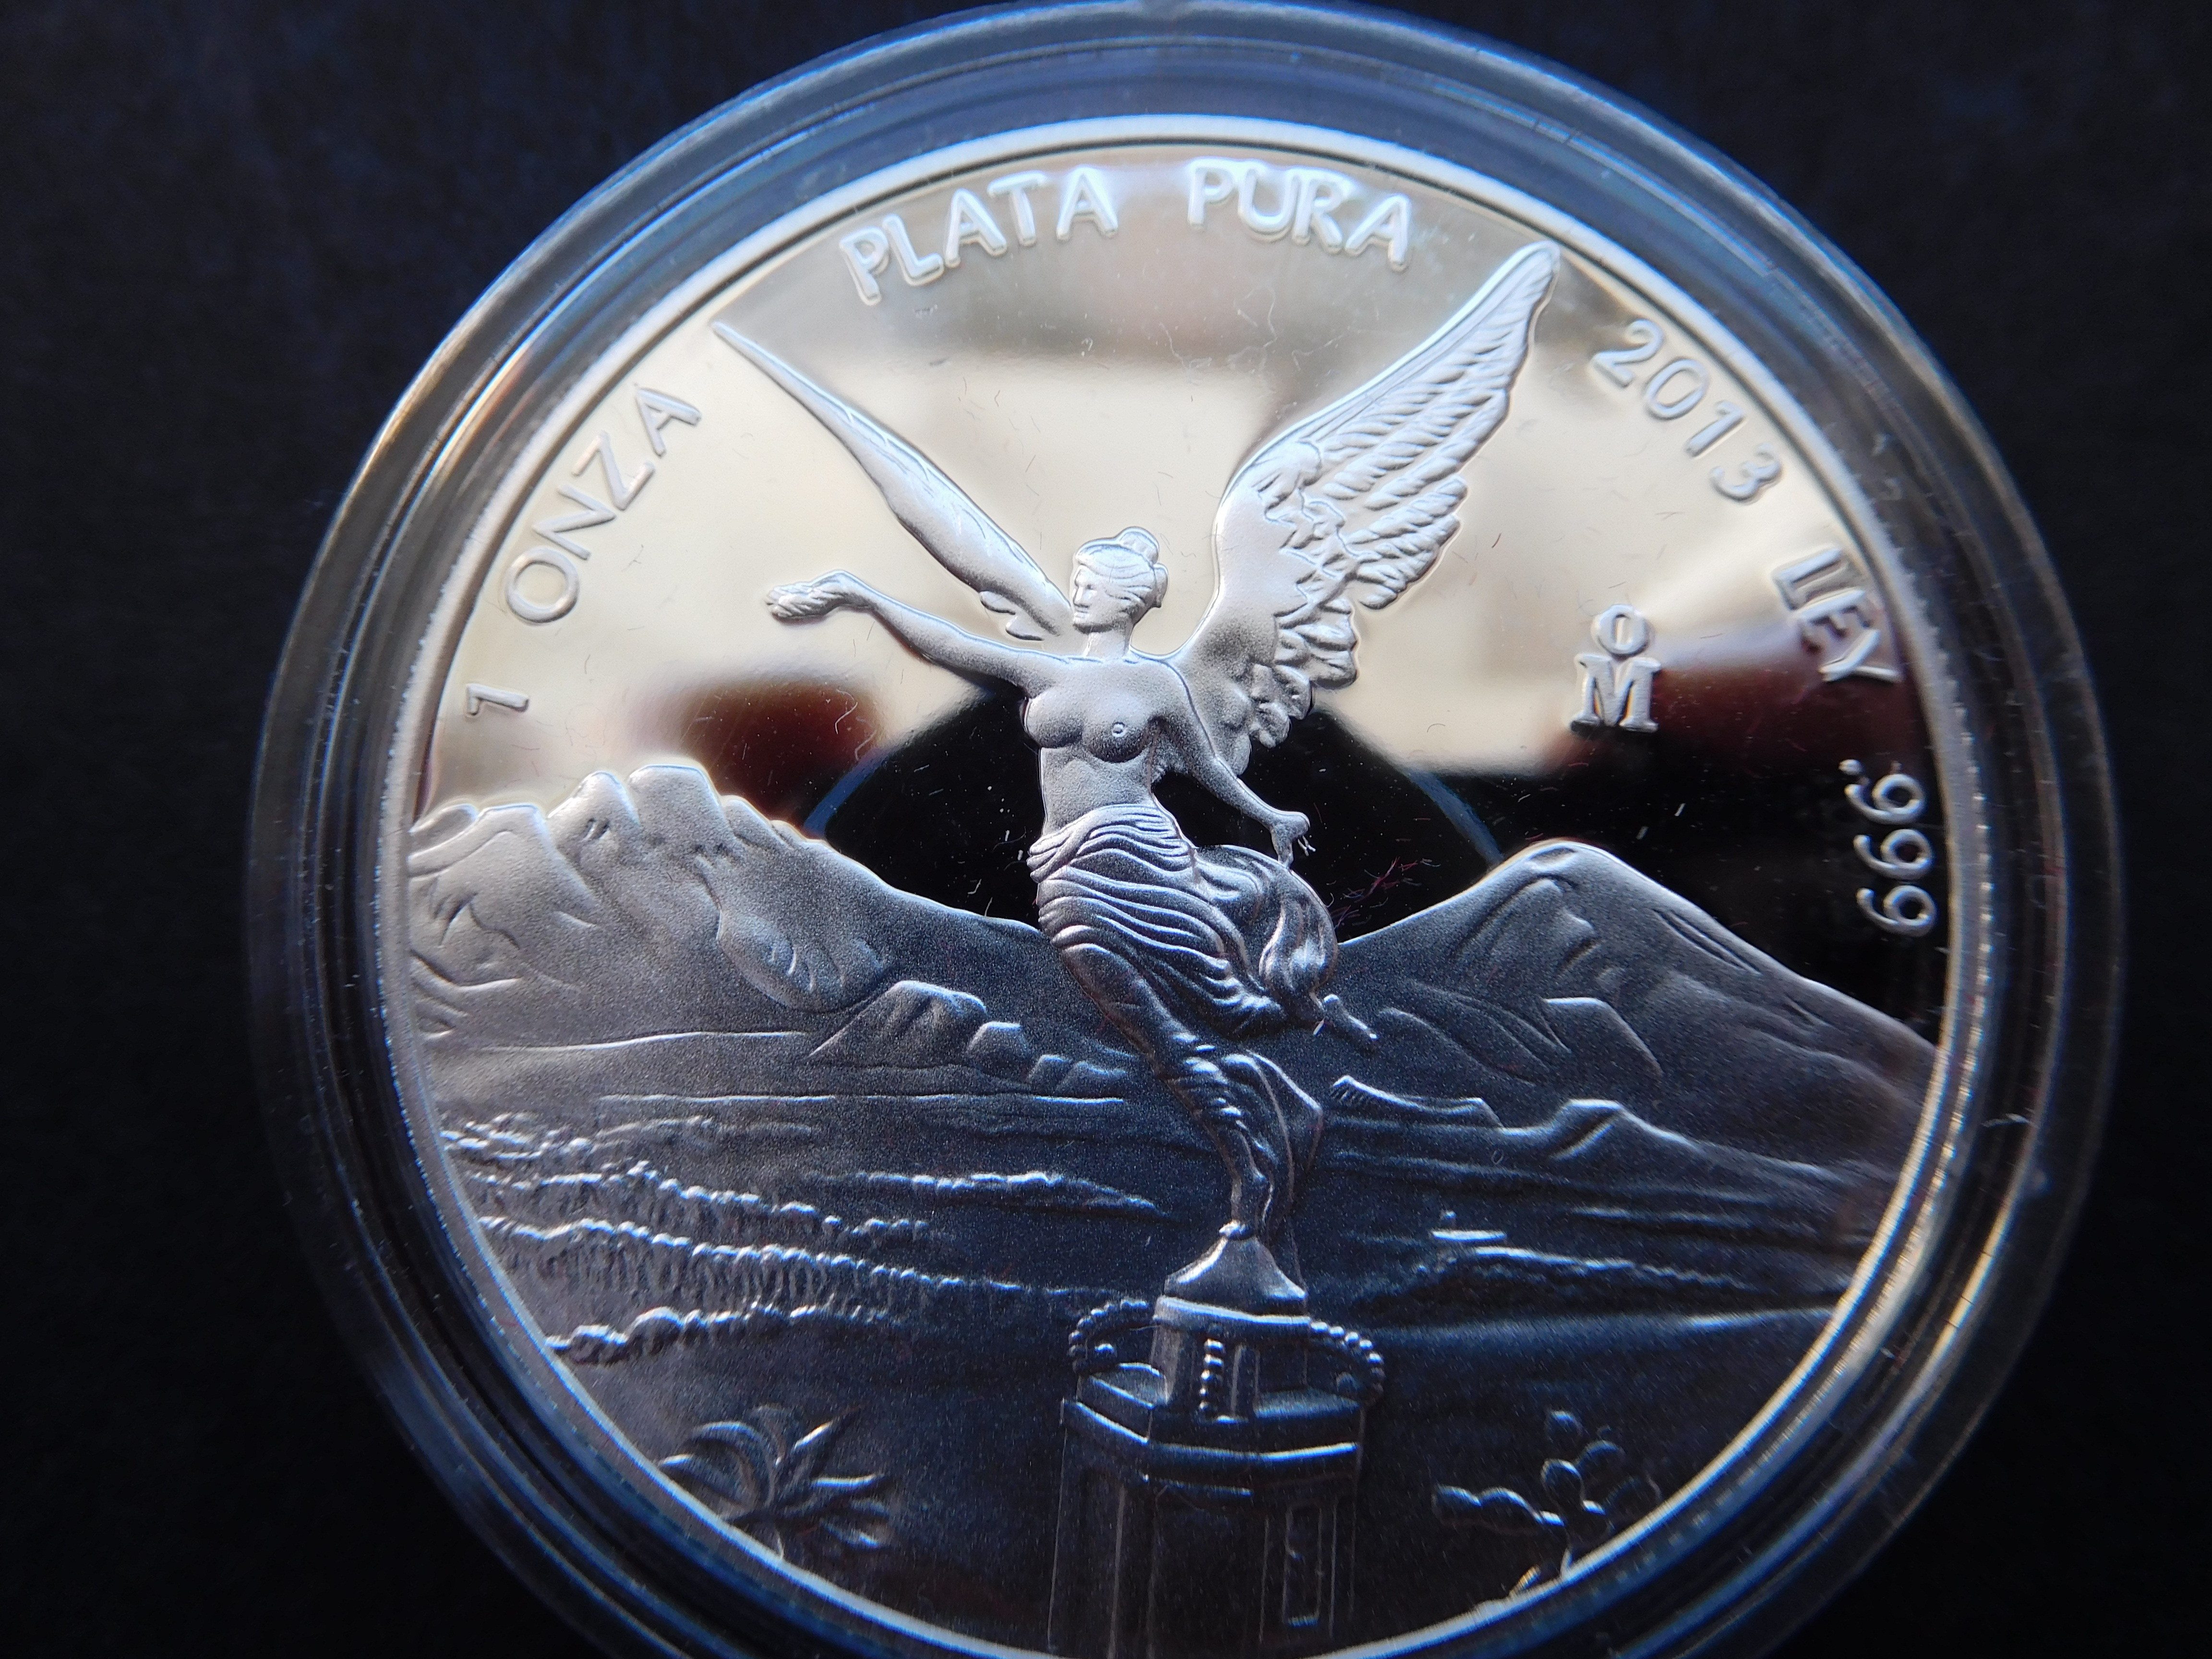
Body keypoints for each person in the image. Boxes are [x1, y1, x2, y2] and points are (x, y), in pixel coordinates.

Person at [768, 529, 1367, 1306]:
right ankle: (1271, 1124)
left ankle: (1258, 1185)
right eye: (1078, 578)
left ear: (1129, 600)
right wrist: (864, 596)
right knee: (1155, 1027)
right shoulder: (1047, 670)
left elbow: (1207, 768)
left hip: (1136, 857)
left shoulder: (1157, 686)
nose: (1077, 589)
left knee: (1164, 1033)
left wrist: (1270, 816)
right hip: (1064, 867)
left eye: (1093, 581)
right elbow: (950, 644)